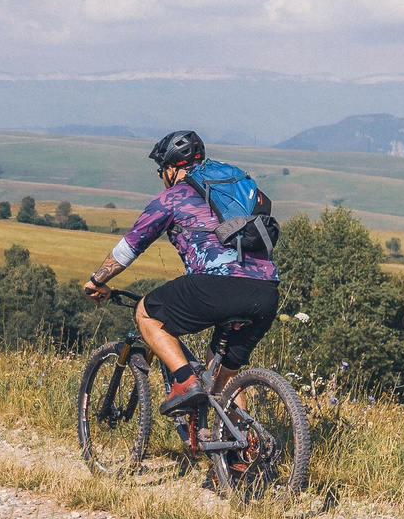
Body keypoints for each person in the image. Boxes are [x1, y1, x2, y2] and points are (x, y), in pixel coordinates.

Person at [80, 130, 278, 417]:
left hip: (216, 285)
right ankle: (241, 452)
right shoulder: (233, 189)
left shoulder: (172, 198)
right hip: (266, 290)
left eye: (162, 170)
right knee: (223, 378)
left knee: (146, 313)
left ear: (172, 168)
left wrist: (98, 280)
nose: (162, 176)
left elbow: (130, 247)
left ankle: (185, 382)